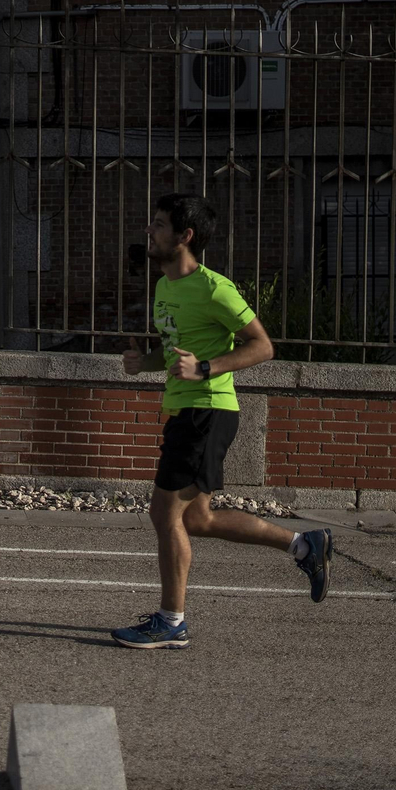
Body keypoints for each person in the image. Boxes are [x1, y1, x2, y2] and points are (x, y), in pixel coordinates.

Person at [111, 193, 333, 650]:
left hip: (206, 411)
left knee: (162, 512)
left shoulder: (215, 288)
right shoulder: (163, 286)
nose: (148, 232)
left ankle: (172, 622)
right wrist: (144, 363)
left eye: (158, 225)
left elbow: (262, 347)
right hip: (183, 410)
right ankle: (305, 546)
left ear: (184, 236)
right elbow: (175, 352)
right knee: (197, 519)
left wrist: (207, 368)